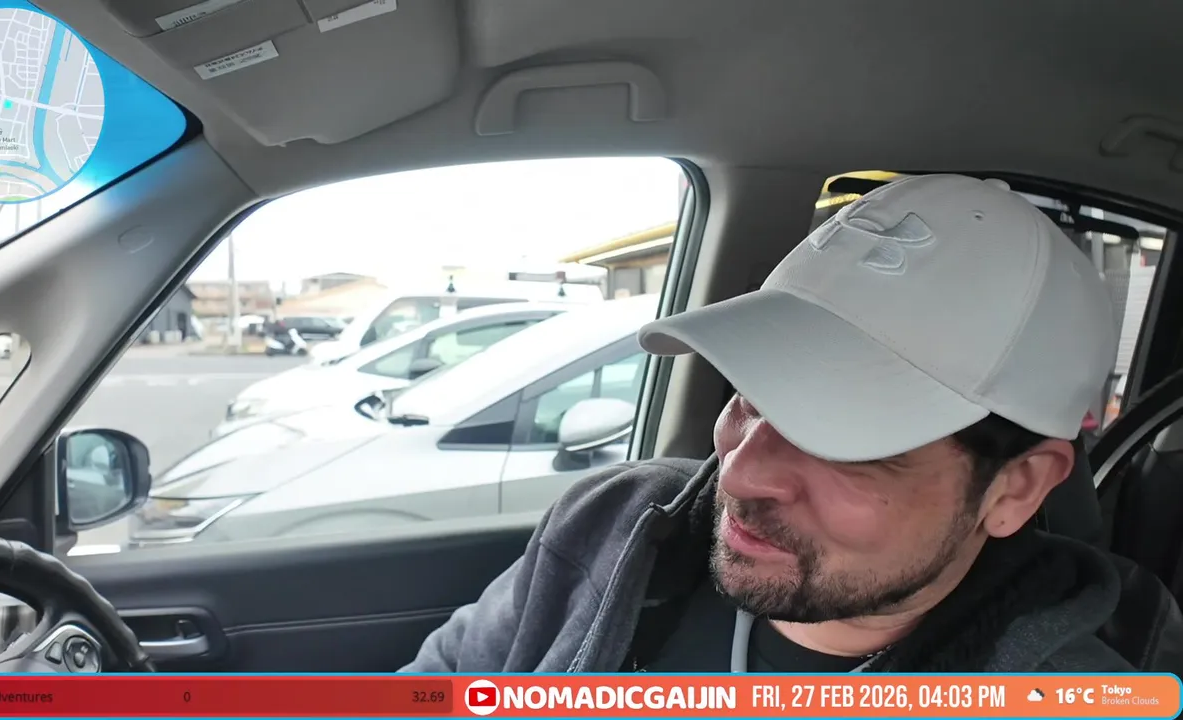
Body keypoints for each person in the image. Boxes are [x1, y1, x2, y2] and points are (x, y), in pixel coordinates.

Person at [400, 174, 1130, 673]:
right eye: (750, 397)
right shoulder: (616, 523)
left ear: (1015, 488)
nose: (740, 473)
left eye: (842, 440)